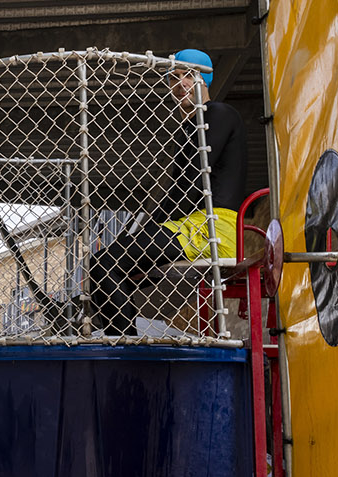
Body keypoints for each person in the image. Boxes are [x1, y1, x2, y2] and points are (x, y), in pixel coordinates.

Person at [87, 48, 250, 336]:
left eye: (189, 75)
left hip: (213, 225)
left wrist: (147, 231)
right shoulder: (187, 128)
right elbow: (179, 189)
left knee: (108, 264)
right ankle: (116, 338)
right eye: (173, 78)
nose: (180, 84)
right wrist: (144, 231)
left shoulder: (219, 114)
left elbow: (191, 183)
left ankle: (126, 349)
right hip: (187, 224)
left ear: (205, 79)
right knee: (101, 265)